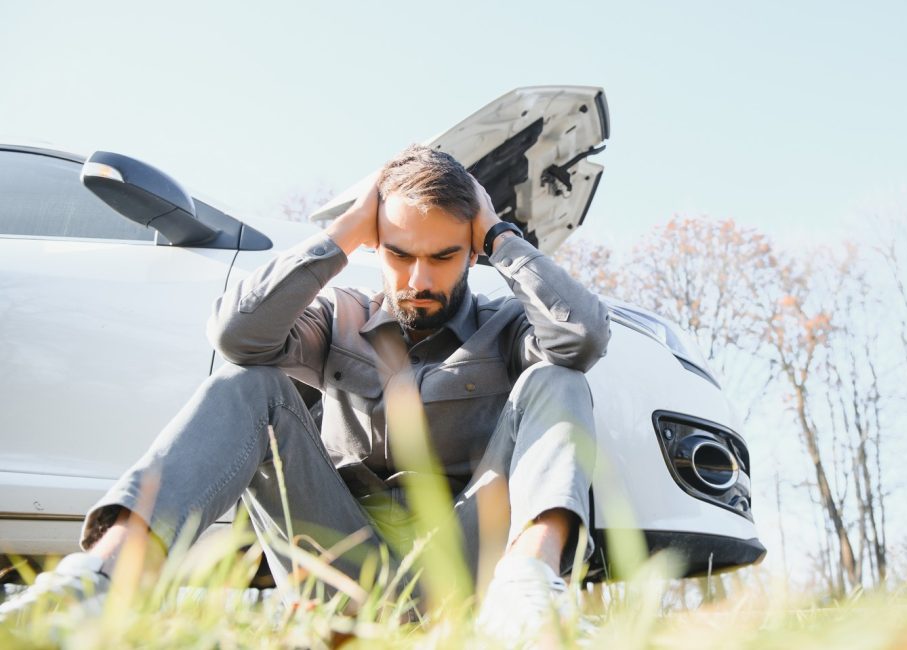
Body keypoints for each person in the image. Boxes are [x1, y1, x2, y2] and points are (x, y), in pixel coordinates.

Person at [0, 144, 611, 640]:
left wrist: (501, 235)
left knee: (556, 377)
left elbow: (581, 338)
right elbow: (237, 336)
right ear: (376, 242)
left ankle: (531, 595)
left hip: (462, 561)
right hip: (337, 565)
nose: (419, 279)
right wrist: (341, 235)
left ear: (471, 250)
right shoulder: (337, 317)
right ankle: (98, 580)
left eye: (444, 256)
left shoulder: (507, 327)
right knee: (248, 381)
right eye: (399, 255)